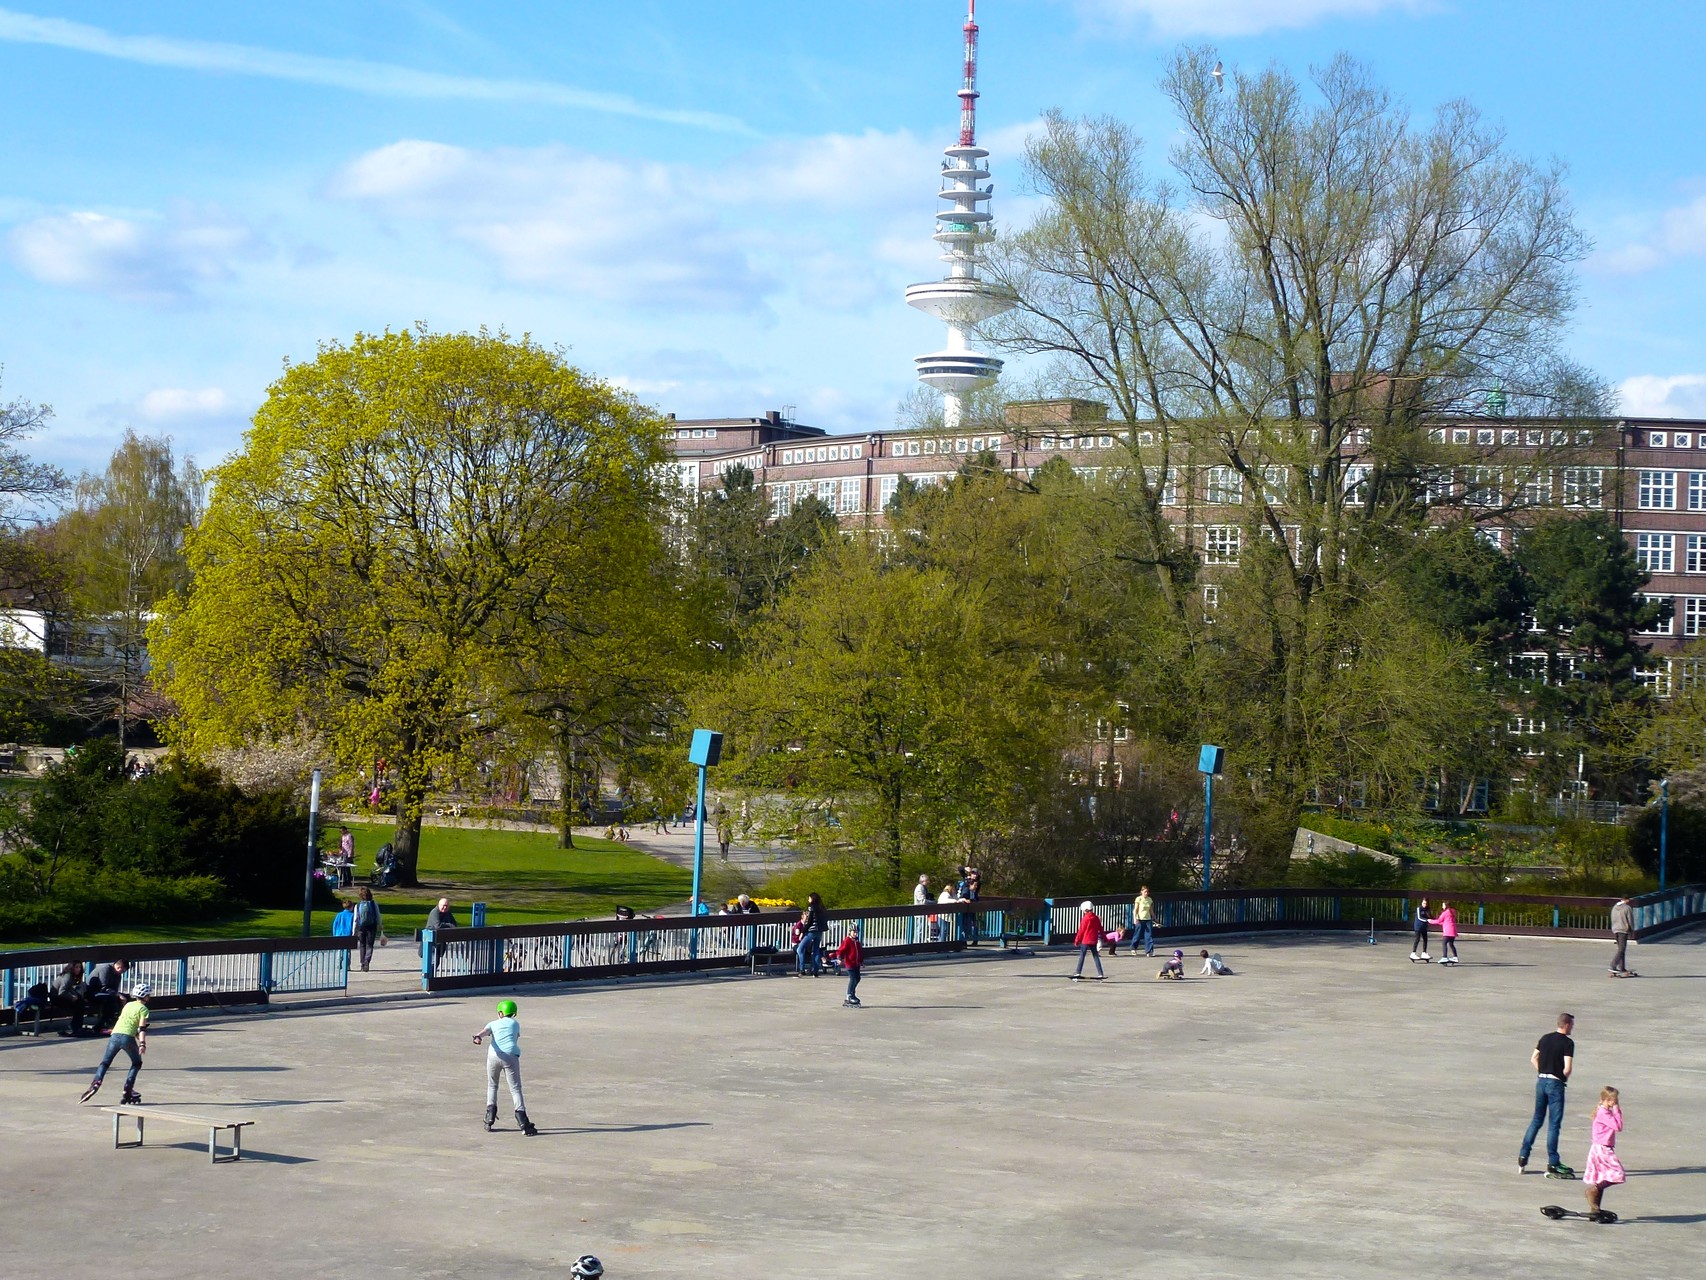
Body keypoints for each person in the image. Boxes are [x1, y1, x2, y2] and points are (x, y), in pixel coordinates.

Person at [1519, 1012, 1576, 1177]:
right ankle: (1553, 1162)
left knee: (1537, 1120)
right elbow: (1567, 1068)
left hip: (1541, 1082)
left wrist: (1542, 1070)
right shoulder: (1567, 1043)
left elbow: (1533, 1058)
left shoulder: (1544, 1038)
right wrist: (1561, 1077)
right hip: (1555, 1084)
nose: (1572, 1027)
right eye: (1571, 1024)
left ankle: (1523, 1155)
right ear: (1566, 1025)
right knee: (1554, 1124)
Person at [472, 999, 537, 1136]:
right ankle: (523, 1122)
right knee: (515, 1088)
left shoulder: (493, 1023)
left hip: (493, 1057)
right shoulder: (515, 1024)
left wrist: (477, 1037)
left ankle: (489, 1117)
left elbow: (483, 1032)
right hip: (510, 1056)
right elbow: (515, 1037)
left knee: (492, 1085)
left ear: (500, 1013)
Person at [79, 983, 152, 1105]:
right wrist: (142, 1043)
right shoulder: (144, 1009)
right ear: (145, 997)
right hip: (127, 1037)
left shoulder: (128, 1005)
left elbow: (127, 1022)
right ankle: (128, 1089)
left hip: (115, 1034)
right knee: (136, 1063)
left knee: (105, 1062)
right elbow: (141, 1028)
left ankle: (96, 1083)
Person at [1581, 1086, 1625, 1221]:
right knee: (1618, 1174)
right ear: (1607, 1099)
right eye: (1614, 1100)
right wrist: (1617, 1109)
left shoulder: (1604, 1112)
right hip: (1602, 1148)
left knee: (1601, 1177)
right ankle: (1592, 1190)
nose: (1616, 1102)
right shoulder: (1604, 1113)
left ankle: (1595, 1209)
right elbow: (1618, 1127)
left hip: (1602, 1147)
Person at [85, 958, 128, 1032]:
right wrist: (117, 994)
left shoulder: (118, 974)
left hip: (106, 993)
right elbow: (103, 987)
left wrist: (119, 995)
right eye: (122, 970)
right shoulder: (105, 969)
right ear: (118, 967)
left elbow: (114, 989)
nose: (122, 973)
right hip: (93, 992)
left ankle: (121, 1021)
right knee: (110, 999)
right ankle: (103, 1024)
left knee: (126, 997)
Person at [49, 961, 88, 1036]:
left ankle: (76, 1026)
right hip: (57, 998)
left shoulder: (72, 976)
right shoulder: (68, 976)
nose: (79, 969)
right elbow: (62, 992)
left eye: (80, 967)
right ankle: (76, 1027)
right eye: (76, 967)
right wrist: (71, 997)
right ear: (72, 968)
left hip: (61, 997)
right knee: (79, 1004)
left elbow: (69, 989)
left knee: (80, 1001)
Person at [352, 885, 384, 971]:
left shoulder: (357, 906)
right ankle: (367, 961)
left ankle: (362, 963)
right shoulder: (374, 904)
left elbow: (355, 919)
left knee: (362, 945)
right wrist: (380, 925)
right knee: (369, 945)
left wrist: (354, 931)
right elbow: (378, 915)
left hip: (361, 927)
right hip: (372, 926)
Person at [1071, 902, 1105, 981]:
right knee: (1095, 956)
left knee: (1082, 956)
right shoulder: (1096, 918)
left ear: (1085, 910)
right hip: (1094, 940)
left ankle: (1078, 972)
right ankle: (1100, 973)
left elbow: (1081, 931)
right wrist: (1105, 938)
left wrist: (1077, 940)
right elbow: (1101, 929)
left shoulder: (1085, 918)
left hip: (1085, 940)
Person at [796, 892, 828, 976]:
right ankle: (815, 970)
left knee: (800, 949)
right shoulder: (822, 908)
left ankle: (802, 969)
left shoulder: (811, 907)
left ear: (812, 899)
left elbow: (809, 921)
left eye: (809, 898)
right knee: (816, 950)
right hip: (819, 931)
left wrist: (803, 932)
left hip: (812, 931)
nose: (808, 899)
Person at [835, 927, 864, 1007]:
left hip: (856, 964)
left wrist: (861, 961)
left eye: (856, 932)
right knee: (853, 978)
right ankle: (849, 995)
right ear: (850, 932)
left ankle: (852, 994)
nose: (855, 933)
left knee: (858, 978)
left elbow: (859, 952)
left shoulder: (857, 942)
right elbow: (840, 950)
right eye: (853, 932)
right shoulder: (847, 940)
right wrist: (839, 958)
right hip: (850, 964)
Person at [1609, 896, 1634, 976]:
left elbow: (1612, 918)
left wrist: (1614, 927)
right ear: (1626, 900)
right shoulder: (1627, 908)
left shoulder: (1614, 907)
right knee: (1622, 949)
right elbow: (1630, 919)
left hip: (1615, 929)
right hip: (1623, 930)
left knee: (1621, 949)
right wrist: (1631, 930)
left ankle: (1622, 967)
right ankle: (1613, 965)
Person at [1431, 901, 1460, 965]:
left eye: (1443, 905)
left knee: (1444, 943)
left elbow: (1439, 920)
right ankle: (1455, 957)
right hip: (1453, 930)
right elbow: (1447, 921)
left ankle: (1444, 957)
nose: (1442, 906)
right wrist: (1441, 923)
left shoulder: (1445, 913)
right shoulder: (1453, 911)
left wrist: (1430, 921)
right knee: (1451, 944)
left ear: (1446, 906)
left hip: (1447, 931)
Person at [1132, 885, 1157, 957]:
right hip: (1140, 919)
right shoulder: (1138, 899)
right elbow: (1135, 910)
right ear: (1141, 892)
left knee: (1149, 935)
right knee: (1138, 934)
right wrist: (1135, 919)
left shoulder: (1149, 899)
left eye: (1147, 892)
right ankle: (1133, 948)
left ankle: (1149, 951)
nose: (1146, 893)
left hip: (1148, 919)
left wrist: (1154, 918)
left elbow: (1151, 910)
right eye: (1145, 891)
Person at [1409, 897, 1432, 962]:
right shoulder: (1418, 909)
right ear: (1421, 903)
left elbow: (1430, 916)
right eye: (1423, 903)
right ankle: (1413, 953)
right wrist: (1427, 920)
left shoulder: (1428, 909)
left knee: (1425, 939)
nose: (1424, 905)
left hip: (1424, 927)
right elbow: (1420, 917)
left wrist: (1436, 920)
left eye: (1426, 903)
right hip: (1418, 926)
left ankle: (1424, 952)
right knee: (1417, 939)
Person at [913, 874, 932, 943]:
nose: (928, 882)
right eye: (927, 881)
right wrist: (933, 902)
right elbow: (922, 901)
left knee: (922, 929)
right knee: (920, 929)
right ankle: (917, 944)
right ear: (923, 881)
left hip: (923, 912)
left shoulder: (924, 888)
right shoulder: (919, 888)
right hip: (920, 913)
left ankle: (920, 943)